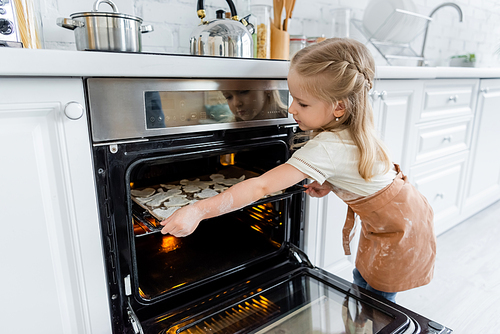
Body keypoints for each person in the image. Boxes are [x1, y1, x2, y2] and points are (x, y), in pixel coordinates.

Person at [160, 38, 436, 303]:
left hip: (399, 228)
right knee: (363, 279)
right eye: (292, 99)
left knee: (378, 299)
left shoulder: (328, 147)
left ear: (339, 106)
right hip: (402, 211)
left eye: (302, 103)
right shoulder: (353, 125)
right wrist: (332, 183)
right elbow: (360, 171)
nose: (291, 109)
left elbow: (261, 186)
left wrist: (197, 210)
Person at [221, 89, 288, 121]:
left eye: (244, 91)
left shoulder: (294, 119)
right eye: (228, 97)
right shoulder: (228, 132)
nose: (236, 103)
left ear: (268, 87)